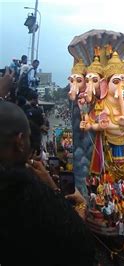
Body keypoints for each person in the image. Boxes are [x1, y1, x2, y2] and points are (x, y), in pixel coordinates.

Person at [0, 101, 95, 265]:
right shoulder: (26, 191)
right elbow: (81, 248)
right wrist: (73, 202)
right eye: (29, 136)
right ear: (20, 141)